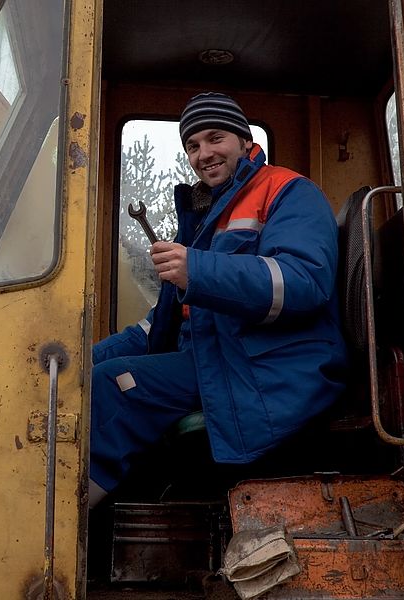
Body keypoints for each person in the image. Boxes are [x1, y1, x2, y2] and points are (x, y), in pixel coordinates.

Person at [88, 92, 347, 508]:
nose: (203, 153)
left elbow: (304, 282)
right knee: (90, 376)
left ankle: (63, 532)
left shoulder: (290, 192)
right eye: (192, 145)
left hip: (273, 367)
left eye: (215, 138)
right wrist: (81, 360)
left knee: (115, 385)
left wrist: (199, 269)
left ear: (244, 140)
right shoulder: (212, 215)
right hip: (220, 356)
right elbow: (165, 325)